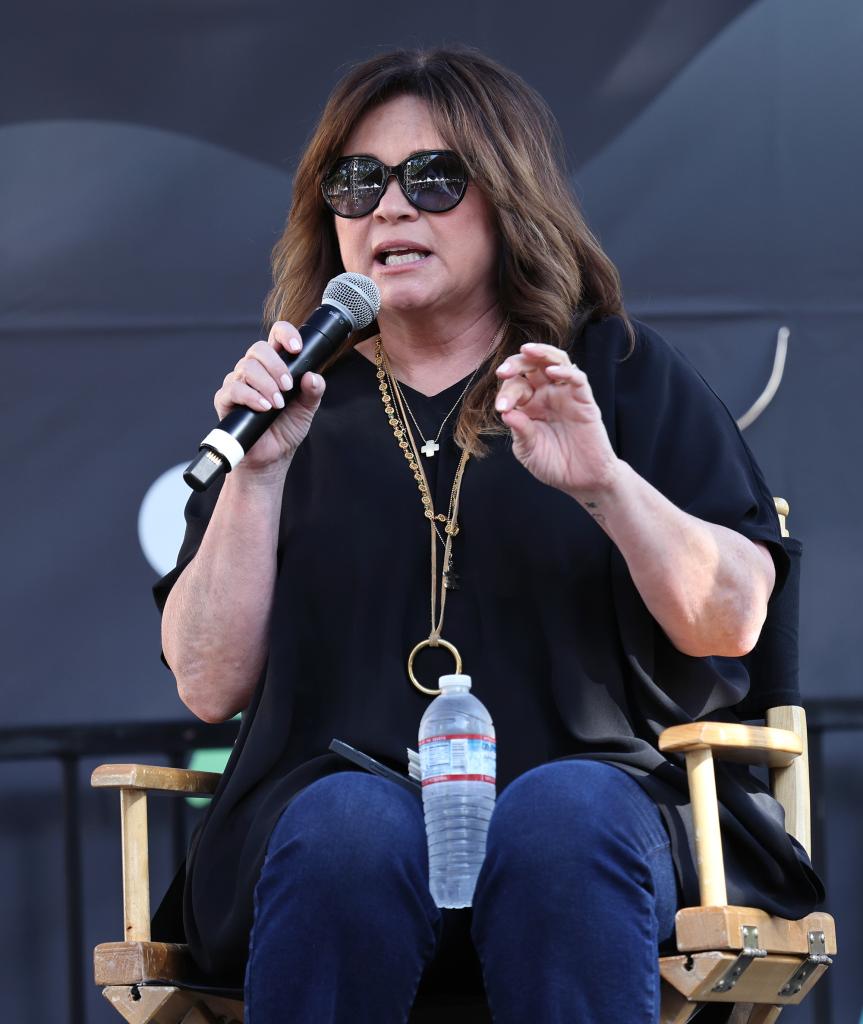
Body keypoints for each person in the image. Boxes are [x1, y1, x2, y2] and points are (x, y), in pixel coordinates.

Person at [154, 47, 822, 1023]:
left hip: (594, 816)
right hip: (339, 823)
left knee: (562, 813)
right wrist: (256, 478)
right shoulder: (293, 405)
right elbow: (205, 680)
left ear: (505, 193)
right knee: (343, 821)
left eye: (432, 177)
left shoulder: (611, 372)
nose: (388, 208)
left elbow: (728, 621)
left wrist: (604, 484)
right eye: (355, 181)